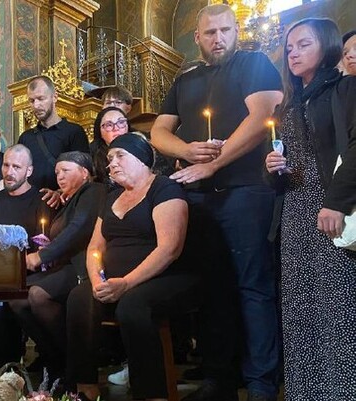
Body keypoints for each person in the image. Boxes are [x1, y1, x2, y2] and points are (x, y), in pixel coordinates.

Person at [150, 4, 283, 401]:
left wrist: (214, 164)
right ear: (197, 37)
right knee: (210, 289)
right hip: (197, 197)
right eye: (210, 32)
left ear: (236, 31)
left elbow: (262, 116)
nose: (218, 38)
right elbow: (159, 131)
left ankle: (261, 383)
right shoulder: (185, 78)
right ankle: (219, 378)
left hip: (245, 191)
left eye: (226, 30)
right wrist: (188, 151)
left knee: (252, 286)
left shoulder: (255, 63)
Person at [66, 133, 199, 401]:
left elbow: (169, 249)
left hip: (164, 277)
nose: (111, 163)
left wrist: (126, 283)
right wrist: (97, 281)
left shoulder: (164, 188)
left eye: (120, 156)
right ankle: (85, 387)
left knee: (133, 305)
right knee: (80, 297)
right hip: (115, 280)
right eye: (109, 159)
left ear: (141, 158)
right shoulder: (111, 197)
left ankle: (152, 394)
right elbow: (94, 247)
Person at [264, 18, 356, 400]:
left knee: (336, 308)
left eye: (304, 44)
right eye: (289, 48)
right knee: (299, 310)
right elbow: (283, 166)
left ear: (327, 46)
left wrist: (336, 202)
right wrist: (272, 167)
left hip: (330, 208)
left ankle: (340, 392)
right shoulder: (286, 104)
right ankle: (305, 392)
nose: (293, 53)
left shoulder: (346, 88)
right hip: (294, 213)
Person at [9, 151, 106, 388]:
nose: (59, 176)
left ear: (84, 172)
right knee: (16, 298)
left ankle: (70, 362)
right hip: (64, 266)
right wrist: (50, 248)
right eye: (56, 172)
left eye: (65, 170)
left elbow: (79, 228)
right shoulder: (69, 200)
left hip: (83, 268)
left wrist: (42, 256)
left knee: (38, 294)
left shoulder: (93, 191)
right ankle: (53, 358)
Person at [0, 144, 54, 375]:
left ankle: (48, 358)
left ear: (29, 171)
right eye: (6, 165)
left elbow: (46, 246)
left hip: (33, 273)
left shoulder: (43, 199)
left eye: (16, 167)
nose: (9, 172)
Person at [18, 76, 90, 207]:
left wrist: (59, 192)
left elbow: (84, 174)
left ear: (54, 97)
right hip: (30, 205)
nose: (36, 105)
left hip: (64, 205)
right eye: (32, 100)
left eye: (41, 99)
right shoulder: (26, 137)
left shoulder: (74, 132)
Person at [89, 107, 129, 185]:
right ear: (99, 131)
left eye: (121, 122)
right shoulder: (91, 156)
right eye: (109, 125)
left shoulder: (140, 148)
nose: (116, 128)